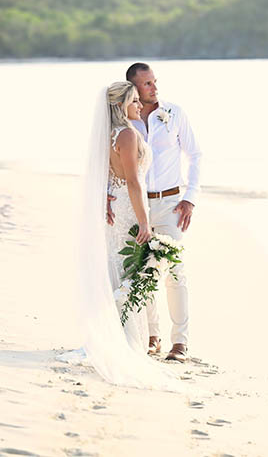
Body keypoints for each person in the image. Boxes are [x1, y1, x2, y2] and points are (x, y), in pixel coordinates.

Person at [58, 81, 180, 390]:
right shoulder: (126, 134)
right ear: (121, 105)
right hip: (128, 207)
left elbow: (107, 176)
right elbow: (134, 182)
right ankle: (123, 342)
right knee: (127, 272)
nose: (140, 105)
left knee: (120, 270)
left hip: (117, 203)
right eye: (135, 101)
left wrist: (106, 198)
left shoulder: (111, 135)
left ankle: (117, 336)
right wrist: (144, 222)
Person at [108, 63, 202, 363]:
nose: (154, 87)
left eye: (153, 82)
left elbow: (195, 154)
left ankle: (180, 343)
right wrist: (107, 194)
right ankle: (151, 335)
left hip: (170, 203)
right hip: (136, 206)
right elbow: (114, 167)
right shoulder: (126, 122)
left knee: (175, 271)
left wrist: (190, 197)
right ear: (133, 88)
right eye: (146, 84)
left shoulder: (174, 113)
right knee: (140, 270)